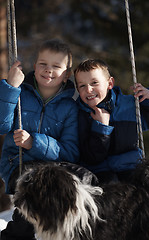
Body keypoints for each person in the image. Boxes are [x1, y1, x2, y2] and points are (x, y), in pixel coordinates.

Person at [0, 39, 79, 240]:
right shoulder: (19, 93)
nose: (48, 70)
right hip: (17, 163)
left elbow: (70, 152)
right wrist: (10, 87)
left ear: (66, 75)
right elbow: (1, 125)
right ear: (34, 67)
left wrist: (34, 143)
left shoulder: (70, 108)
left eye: (56, 66)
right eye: (43, 64)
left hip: (53, 169)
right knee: (34, 196)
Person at [74, 59, 149, 184]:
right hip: (100, 171)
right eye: (82, 85)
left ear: (110, 83)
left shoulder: (128, 104)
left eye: (94, 83)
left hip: (130, 167)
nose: (88, 89)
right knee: (112, 189)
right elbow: (91, 157)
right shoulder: (80, 114)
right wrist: (101, 127)